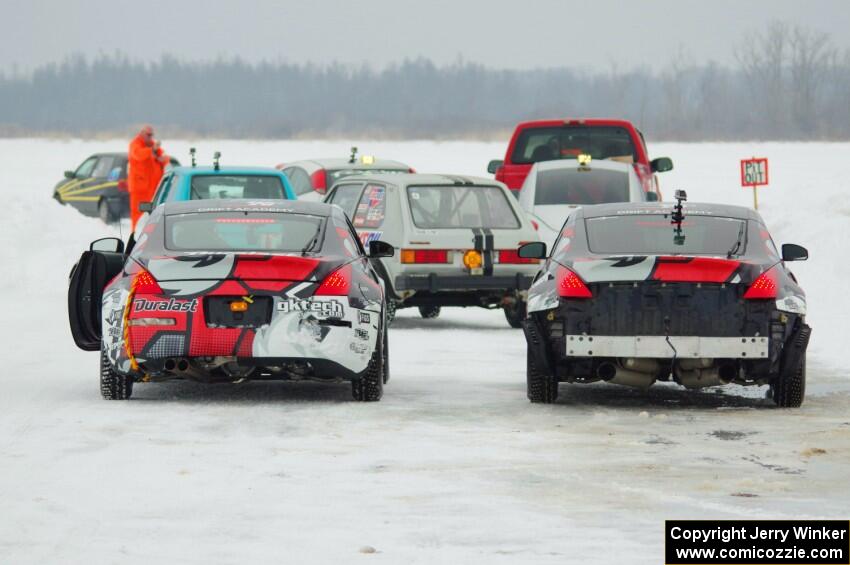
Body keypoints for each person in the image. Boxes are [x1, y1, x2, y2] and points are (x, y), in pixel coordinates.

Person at [128, 125, 169, 229]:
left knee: (154, 215)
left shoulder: (152, 145)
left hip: (154, 188)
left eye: (151, 135)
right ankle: (136, 237)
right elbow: (138, 154)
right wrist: (151, 150)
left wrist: (162, 158)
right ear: (142, 133)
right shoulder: (135, 144)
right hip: (140, 189)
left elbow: (165, 156)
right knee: (138, 215)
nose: (150, 137)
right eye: (148, 135)